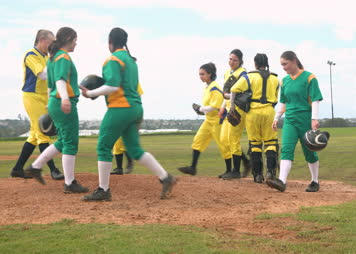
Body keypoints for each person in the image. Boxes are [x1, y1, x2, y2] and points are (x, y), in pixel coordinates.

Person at [81, 27, 175, 201]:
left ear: (110, 42)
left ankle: (103, 189)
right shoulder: (131, 61)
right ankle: (165, 177)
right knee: (134, 150)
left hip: (120, 108)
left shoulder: (112, 59)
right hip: (136, 108)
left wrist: (90, 93)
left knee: (103, 146)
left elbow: (113, 86)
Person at [25, 27, 89, 193]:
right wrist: (66, 99)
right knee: (70, 143)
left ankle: (36, 166)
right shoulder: (63, 56)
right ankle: (69, 183)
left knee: (62, 140)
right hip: (62, 102)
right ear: (68, 39)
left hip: (55, 101)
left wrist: (52, 100)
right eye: (75, 39)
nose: (76, 42)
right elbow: (60, 80)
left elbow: (50, 81)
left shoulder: (53, 57)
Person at [10, 29, 64, 180]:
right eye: (51, 42)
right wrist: (54, 58)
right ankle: (53, 170)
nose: (53, 45)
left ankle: (17, 169)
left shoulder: (45, 57)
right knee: (43, 132)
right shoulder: (31, 55)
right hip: (32, 97)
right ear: (41, 40)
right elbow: (43, 74)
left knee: (34, 135)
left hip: (44, 97)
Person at [266, 51, 323, 192]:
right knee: (286, 149)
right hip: (290, 119)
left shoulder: (309, 78)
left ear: (294, 61)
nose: (283, 67)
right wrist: (276, 118)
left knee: (309, 152)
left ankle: (314, 181)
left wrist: (314, 119)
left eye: (285, 64)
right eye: (282, 65)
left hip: (305, 118)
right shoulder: (284, 81)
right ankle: (282, 182)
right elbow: (283, 102)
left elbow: (315, 99)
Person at [229, 53, 279, 183]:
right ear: (266, 63)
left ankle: (257, 175)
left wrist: (232, 107)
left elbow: (233, 90)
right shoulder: (275, 79)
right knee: (271, 143)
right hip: (269, 111)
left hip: (253, 113)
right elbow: (277, 98)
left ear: (255, 64)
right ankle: (270, 172)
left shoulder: (249, 77)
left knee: (255, 143)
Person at [177, 62, 231, 176]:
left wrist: (200, 108)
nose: (200, 76)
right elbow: (209, 107)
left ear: (209, 74)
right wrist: (202, 110)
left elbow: (215, 106)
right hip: (208, 121)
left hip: (217, 122)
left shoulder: (214, 88)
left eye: (202, 74)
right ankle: (192, 167)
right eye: (199, 74)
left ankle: (230, 170)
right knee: (198, 140)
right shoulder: (207, 87)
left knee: (223, 145)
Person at [218, 49, 251, 179]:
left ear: (240, 61)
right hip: (228, 109)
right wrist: (222, 106)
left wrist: (227, 96)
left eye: (235, 60)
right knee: (224, 140)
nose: (231, 62)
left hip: (238, 110)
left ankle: (236, 171)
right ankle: (230, 169)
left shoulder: (243, 73)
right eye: (230, 59)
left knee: (233, 139)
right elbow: (225, 94)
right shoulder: (227, 72)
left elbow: (243, 92)